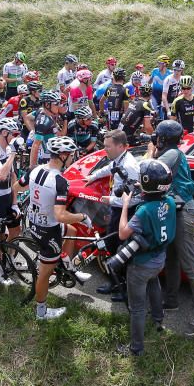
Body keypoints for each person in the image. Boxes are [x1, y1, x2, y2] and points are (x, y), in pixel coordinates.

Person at [17, 136, 93, 321]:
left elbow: (16, 188)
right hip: (47, 230)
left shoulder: (36, 170)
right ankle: (41, 311)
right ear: (63, 155)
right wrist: (82, 217)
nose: (74, 157)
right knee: (44, 274)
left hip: (34, 222)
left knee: (71, 231)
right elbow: (60, 215)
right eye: (72, 154)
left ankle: (67, 267)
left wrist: (14, 206)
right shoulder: (60, 181)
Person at [149, 120, 194, 336]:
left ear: (163, 139)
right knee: (172, 258)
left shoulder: (172, 154)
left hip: (184, 213)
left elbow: (149, 169)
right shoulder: (173, 152)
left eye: (157, 136)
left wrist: (150, 151)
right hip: (175, 210)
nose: (155, 138)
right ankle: (171, 300)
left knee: (189, 263)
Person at [116, 159, 177, 356]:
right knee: (154, 284)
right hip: (159, 258)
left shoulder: (144, 211)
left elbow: (123, 233)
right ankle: (158, 320)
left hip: (141, 264)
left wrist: (125, 205)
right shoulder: (169, 202)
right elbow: (152, 198)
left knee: (137, 308)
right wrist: (141, 187)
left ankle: (136, 348)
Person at [84, 129, 141, 301]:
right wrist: (93, 176)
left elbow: (132, 199)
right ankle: (115, 283)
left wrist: (109, 200)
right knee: (111, 246)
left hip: (125, 212)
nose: (105, 149)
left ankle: (121, 288)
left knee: (118, 249)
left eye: (108, 146)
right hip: (117, 209)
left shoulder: (130, 167)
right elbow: (110, 168)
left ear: (121, 146)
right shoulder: (118, 159)